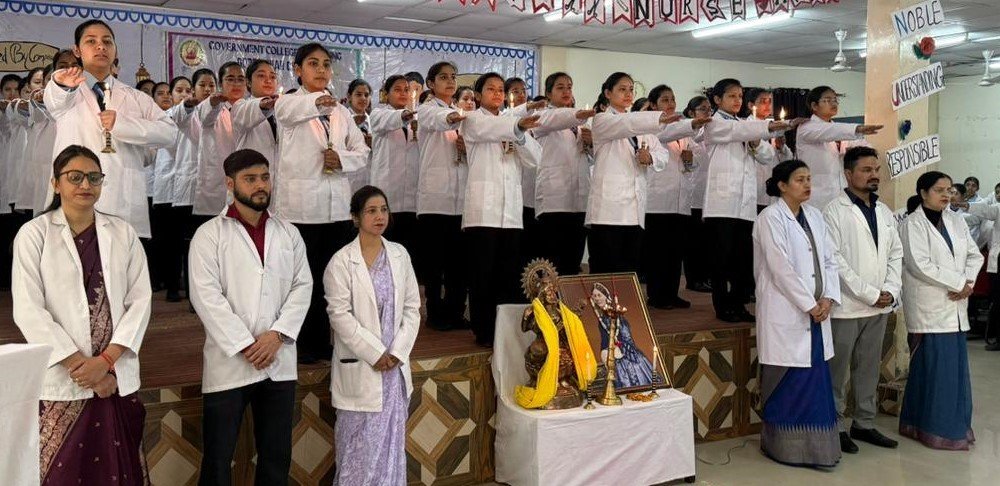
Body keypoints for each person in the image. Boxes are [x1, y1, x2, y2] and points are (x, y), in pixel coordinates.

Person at [12, 144, 152, 484]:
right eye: (75, 177)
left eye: (93, 177)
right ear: (56, 183)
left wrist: (106, 362)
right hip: (63, 377)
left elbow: (140, 301)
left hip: (114, 376)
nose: (85, 185)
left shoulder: (122, 233)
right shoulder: (34, 234)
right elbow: (29, 309)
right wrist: (84, 368)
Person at [189, 149, 312, 485]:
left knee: (276, 457)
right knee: (218, 459)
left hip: (278, 357)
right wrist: (246, 344)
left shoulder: (288, 232)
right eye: (250, 179)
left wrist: (277, 335)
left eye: (264, 177)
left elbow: (303, 286)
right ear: (230, 184)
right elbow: (206, 297)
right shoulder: (209, 235)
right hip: (230, 362)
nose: (260, 185)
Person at [275, 43, 369, 362]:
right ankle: (303, 343)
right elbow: (289, 112)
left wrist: (341, 158)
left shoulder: (341, 112)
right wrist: (319, 101)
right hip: (301, 210)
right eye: (313, 64)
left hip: (336, 209)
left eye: (326, 64)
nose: (321, 70)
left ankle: (330, 341)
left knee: (335, 280)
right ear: (297, 70)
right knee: (305, 281)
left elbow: (362, 151)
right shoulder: (289, 103)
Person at [44, 19, 178, 238]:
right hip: (75, 200)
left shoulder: (136, 97)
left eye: (107, 41)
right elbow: (55, 102)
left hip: (123, 202)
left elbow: (169, 133)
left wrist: (123, 125)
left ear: (115, 50)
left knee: (122, 256)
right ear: (77, 50)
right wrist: (60, 85)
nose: (101, 46)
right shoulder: (66, 90)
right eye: (91, 41)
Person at [325, 185, 420, 486]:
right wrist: (375, 353)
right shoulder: (341, 261)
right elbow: (339, 315)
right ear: (355, 217)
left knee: (391, 451)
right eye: (371, 211)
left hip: (394, 368)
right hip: (363, 366)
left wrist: (397, 352)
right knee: (356, 452)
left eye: (384, 210)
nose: (380, 216)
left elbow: (412, 308)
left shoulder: (400, 255)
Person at [753, 159, 841, 467]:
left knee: (815, 383)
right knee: (788, 382)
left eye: (809, 179)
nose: (807, 184)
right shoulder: (769, 218)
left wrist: (828, 297)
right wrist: (809, 304)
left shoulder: (815, 215)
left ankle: (820, 450)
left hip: (817, 314)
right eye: (800, 179)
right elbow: (780, 268)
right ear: (782, 185)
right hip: (787, 311)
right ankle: (784, 449)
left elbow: (830, 259)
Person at [822, 146, 902, 453]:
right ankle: (835, 425)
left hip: (879, 306)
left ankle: (864, 423)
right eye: (866, 170)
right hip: (847, 306)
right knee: (838, 371)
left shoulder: (884, 211)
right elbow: (835, 261)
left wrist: (890, 290)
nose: (874, 175)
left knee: (869, 367)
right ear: (848, 174)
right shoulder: (834, 211)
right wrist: (870, 294)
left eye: (876, 170)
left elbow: (895, 253)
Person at [898, 171, 982, 450]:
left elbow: (974, 255)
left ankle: (951, 426)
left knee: (953, 372)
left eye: (949, 190)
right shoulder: (912, 224)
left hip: (956, 304)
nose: (947, 195)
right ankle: (930, 427)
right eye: (939, 190)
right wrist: (959, 283)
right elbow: (919, 264)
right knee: (933, 370)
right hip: (929, 307)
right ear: (923, 193)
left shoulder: (956, 220)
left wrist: (968, 283)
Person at [702, 78, 796, 323]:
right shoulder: (713, 123)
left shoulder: (746, 126)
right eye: (732, 96)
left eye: (740, 96)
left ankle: (739, 303)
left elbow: (767, 156)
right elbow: (735, 132)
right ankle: (722, 306)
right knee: (721, 259)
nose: (737, 100)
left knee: (742, 258)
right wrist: (762, 129)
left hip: (745, 203)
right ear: (717, 99)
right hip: (721, 203)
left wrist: (756, 141)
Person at [460, 72, 542, 346]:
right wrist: (516, 125)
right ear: (478, 95)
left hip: (511, 214)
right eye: (491, 89)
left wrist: (520, 134)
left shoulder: (512, 123)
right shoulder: (473, 119)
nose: (497, 94)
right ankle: (483, 331)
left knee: (508, 275)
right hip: (483, 211)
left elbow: (535, 159)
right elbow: (490, 129)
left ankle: (505, 332)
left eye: (500, 90)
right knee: (482, 275)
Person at [587, 72, 677, 274]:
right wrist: (658, 117)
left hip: (634, 210)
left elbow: (661, 153)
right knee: (605, 268)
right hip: (608, 211)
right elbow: (625, 124)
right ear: (608, 93)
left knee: (628, 269)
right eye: (622, 89)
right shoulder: (602, 120)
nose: (628, 94)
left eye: (631, 89)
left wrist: (650, 157)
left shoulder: (640, 126)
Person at [643, 84, 712, 309]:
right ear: (653, 105)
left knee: (675, 251)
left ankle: (671, 293)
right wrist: (691, 124)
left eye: (672, 99)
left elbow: (693, 163)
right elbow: (666, 134)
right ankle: (656, 295)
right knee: (658, 252)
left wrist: (690, 159)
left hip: (681, 200)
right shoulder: (653, 126)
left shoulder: (681, 131)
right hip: (658, 200)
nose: (671, 103)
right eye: (665, 100)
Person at [416, 61, 469, 331]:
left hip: (460, 201)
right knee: (435, 264)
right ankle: (435, 313)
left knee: (458, 263)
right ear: (431, 83)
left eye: (453, 77)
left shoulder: (461, 113)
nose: (450, 82)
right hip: (435, 201)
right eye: (443, 77)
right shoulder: (427, 109)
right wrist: (455, 118)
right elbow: (438, 120)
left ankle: (456, 312)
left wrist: (466, 146)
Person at [531, 72, 594, 276]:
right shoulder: (543, 116)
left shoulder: (580, 124)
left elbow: (592, 157)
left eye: (569, 87)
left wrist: (591, 143)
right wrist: (579, 115)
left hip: (579, 199)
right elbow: (557, 119)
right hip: (554, 199)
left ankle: (568, 296)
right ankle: (549, 297)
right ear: (548, 93)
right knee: (553, 260)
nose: (566, 91)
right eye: (560, 87)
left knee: (573, 260)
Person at [795, 86, 882, 210]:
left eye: (835, 100)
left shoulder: (838, 129)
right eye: (827, 100)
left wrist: (859, 151)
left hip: (840, 194)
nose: (833, 103)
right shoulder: (806, 128)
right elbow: (828, 132)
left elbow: (863, 144)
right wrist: (857, 129)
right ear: (814, 106)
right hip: (815, 198)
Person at [369, 75, 420, 262]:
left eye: (406, 90)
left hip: (412, 199)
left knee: (408, 253)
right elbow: (389, 120)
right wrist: (404, 115)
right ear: (386, 94)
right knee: (385, 252)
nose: (403, 93)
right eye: (397, 89)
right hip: (388, 195)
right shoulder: (379, 114)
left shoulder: (416, 120)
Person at [194, 61, 247, 220]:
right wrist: (213, 103)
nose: (236, 84)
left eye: (240, 79)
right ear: (220, 84)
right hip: (217, 185)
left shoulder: (252, 109)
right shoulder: (211, 108)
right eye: (230, 79)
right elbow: (206, 116)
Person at [590, 282, 655, 388]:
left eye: (599, 295)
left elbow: (626, 336)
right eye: (594, 296)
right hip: (610, 350)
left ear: (606, 296)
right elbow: (604, 339)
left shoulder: (616, 315)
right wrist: (605, 351)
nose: (597, 298)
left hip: (624, 352)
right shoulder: (602, 317)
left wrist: (621, 349)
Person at [230, 60, 280, 183]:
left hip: (278, 184)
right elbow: (245, 116)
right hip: (250, 182)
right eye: (261, 75)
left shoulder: (281, 111)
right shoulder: (240, 106)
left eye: (272, 77)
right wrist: (263, 105)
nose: (268, 80)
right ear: (248, 82)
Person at [683, 96, 713, 293]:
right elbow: (689, 162)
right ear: (691, 113)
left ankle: (705, 277)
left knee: (707, 241)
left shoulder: (710, 132)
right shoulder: (688, 133)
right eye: (703, 109)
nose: (707, 113)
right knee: (694, 241)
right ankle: (694, 279)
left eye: (709, 109)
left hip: (709, 195)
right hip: (693, 195)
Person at [746, 88, 792, 213]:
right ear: (751, 105)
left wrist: (781, 147)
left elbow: (787, 161)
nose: (767, 105)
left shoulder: (775, 127)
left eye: (770, 101)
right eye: (763, 101)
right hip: (755, 189)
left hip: (772, 190)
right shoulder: (746, 127)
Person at [346, 78, 373, 194]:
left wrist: (373, 144)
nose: (363, 98)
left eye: (366, 95)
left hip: (369, 175)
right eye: (358, 94)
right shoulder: (341, 119)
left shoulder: (373, 121)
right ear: (349, 97)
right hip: (348, 177)